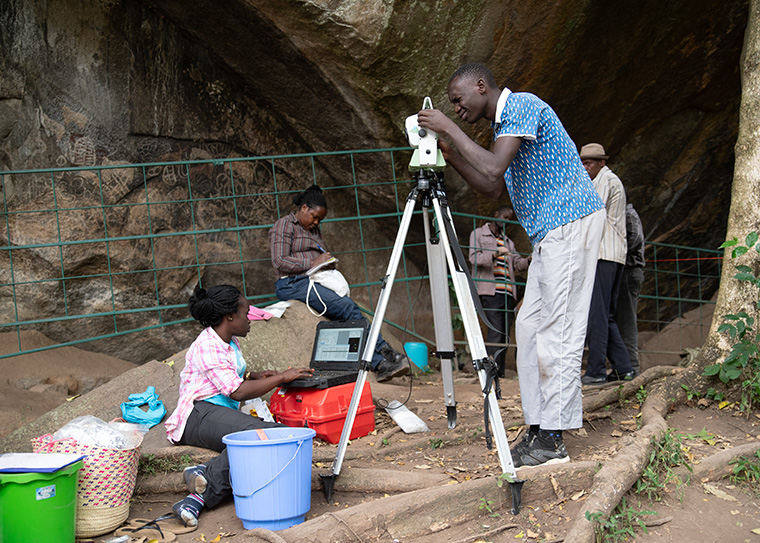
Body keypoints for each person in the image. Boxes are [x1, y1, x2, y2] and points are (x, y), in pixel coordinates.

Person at [417, 63, 605, 468]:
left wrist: (448, 128)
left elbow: (491, 168)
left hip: (570, 221)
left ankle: (553, 440)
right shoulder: (502, 129)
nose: (457, 107)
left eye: (458, 99)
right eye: (452, 104)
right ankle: (538, 429)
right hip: (548, 233)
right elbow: (488, 185)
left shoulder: (521, 105)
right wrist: (448, 154)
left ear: (481, 86)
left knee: (558, 329)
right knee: (529, 327)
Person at [164, 285, 313, 527]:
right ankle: (207, 470)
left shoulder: (228, 341)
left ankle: (195, 499)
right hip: (197, 416)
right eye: (246, 312)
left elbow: (231, 376)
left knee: (256, 443)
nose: (251, 317)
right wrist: (281, 378)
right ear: (229, 316)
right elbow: (235, 391)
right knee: (268, 433)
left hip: (214, 414)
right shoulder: (208, 345)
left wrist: (255, 375)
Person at [269, 185, 410, 382]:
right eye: (314, 217)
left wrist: (326, 263)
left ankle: (380, 363)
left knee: (344, 316)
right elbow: (279, 260)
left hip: (314, 278)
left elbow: (316, 255)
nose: (316, 222)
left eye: (320, 220)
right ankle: (385, 352)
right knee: (347, 308)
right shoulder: (283, 226)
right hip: (292, 283)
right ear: (303, 208)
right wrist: (312, 262)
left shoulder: (313, 229)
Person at [579, 143, 635, 385]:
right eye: (582, 162)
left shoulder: (604, 181)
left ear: (601, 162)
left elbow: (591, 214)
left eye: (589, 162)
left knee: (597, 316)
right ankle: (624, 368)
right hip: (613, 255)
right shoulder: (607, 180)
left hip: (603, 254)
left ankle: (596, 371)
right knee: (606, 315)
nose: (585, 166)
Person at [468, 205, 530, 377]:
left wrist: (529, 260)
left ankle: (499, 372)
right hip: (490, 289)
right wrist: (494, 254)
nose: (506, 221)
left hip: (508, 291)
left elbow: (517, 263)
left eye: (509, 219)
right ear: (496, 214)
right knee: (495, 330)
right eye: (505, 217)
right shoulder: (479, 234)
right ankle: (491, 371)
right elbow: (473, 258)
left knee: (504, 333)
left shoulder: (508, 241)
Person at [615, 203, 645, 376]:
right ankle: (623, 366)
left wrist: (615, 254)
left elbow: (634, 239)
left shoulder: (628, 213)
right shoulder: (625, 214)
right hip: (623, 272)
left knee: (627, 321)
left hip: (629, 270)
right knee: (618, 321)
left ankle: (632, 368)